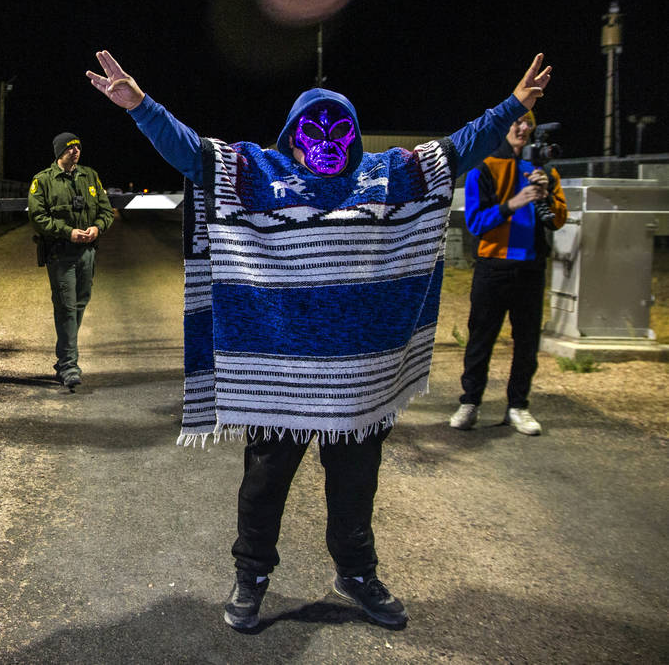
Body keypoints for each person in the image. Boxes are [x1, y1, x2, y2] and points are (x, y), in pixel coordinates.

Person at [87, 49, 552, 630]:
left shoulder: (387, 176)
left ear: (356, 138)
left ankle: (356, 574)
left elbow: (458, 148)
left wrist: (513, 104)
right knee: (264, 487)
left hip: (357, 386)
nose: (327, 140)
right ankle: (251, 578)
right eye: (314, 129)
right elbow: (191, 152)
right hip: (281, 379)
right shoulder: (259, 174)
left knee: (356, 488)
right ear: (291, 136)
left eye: (341, 130)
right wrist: (142, 107)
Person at [448, 111, 567, 436]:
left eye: (528, 122)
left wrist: (546, 198)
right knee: (481, 340)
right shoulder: (482, 169)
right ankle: (470, 402)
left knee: (527, 342)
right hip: (493, 268)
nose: (523, 127)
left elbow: (557, 220)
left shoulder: (544, 170)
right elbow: (475, 223)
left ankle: (518, 406)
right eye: (517, 121)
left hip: (531, 268)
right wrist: (511, 204)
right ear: (504, 128)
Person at [28, 132, 114, 389]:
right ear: (59, 152)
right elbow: (38, 217)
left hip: (87, 252)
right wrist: (68, 232)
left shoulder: (89, 176)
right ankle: (68, 365)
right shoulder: (43, 180)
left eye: (77, 147)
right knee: (66, 306)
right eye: (69, 148)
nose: (75, 151)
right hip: (60, 253)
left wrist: (98, 227)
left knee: (80, 303)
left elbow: (106, 210)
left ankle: (64, 356)